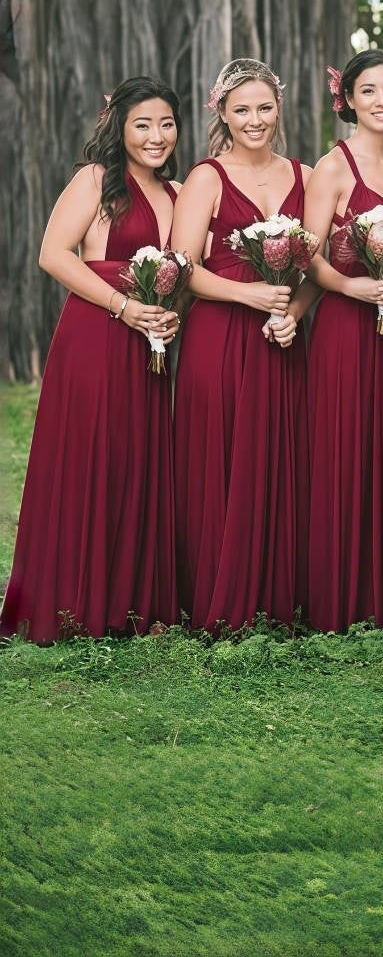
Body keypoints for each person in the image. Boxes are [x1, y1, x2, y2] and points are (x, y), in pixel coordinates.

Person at [1, 78, 181, 641]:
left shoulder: (177, 193)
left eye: (167, 124)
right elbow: (53, 254)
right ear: (119, 128)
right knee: (90, 456)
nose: (156, 136)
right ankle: (73, 603)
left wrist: (168, 310)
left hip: (151, 341)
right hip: (96, 333)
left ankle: (132, 601)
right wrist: (123, 306)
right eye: (143, 125)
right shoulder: (97, 182)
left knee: (141, 459)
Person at [171, 58, 311, 632]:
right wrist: (249, 296)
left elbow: (312, 273)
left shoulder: (303, 176)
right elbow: (184, 268)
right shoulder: (207, 176)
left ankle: (278, 596)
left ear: (279, 109)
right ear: (222, 113)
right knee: (219, 457)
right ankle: (214, 596)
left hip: (283, 336)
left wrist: (292, 312)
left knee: (281, 455)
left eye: (265, 108)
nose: (255, 120)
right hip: (220, 337)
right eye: (242, 109)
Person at [304, 50, 383, 631]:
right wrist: (354, 287)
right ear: (347, 100)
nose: (382, 100)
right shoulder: (333, 167)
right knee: (344, 447)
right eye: (368, 90)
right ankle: (337, 599)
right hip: (346, 328)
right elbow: (310, 254)